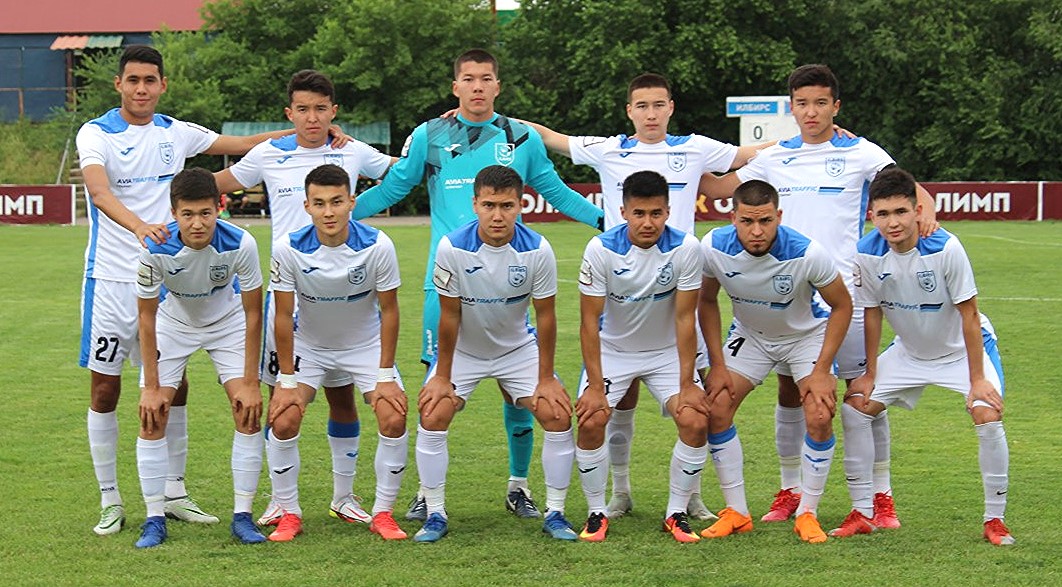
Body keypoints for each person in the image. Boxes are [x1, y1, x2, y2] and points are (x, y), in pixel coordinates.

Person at [76, 44, 338, 536]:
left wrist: (314, 132)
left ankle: (174, 493)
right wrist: (140, 227)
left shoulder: (176, 131)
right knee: (106, 388)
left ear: (162, 85)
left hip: (178, 277)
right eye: (132, 80)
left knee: (173, 388)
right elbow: (99, 191)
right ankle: (110, 499)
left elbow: (244, 143)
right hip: (113, 276)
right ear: (119, 84)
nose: (141, 89)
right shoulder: (96, 132)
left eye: (149, 80)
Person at [352, 48, 603, 521]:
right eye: (468, 79)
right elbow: (395, 186)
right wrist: (348, 214)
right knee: (437, 390)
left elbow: (555, 190)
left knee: (518, 392)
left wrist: (606, 223)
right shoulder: (430, 135)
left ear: (497, 86)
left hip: (507, 282)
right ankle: (427, 494)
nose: (477, 86)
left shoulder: (521, 137)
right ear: (456, 87)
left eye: (486, 78)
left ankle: (518, 486)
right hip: (445, 284)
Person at [699, 64, 937, 525]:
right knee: (790, 393)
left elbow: (908, 188)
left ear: (835, 106)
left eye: (821, 103)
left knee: (862, 396)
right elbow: (717, 186)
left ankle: (880, 497)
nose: (811, 112)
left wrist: (926, 212)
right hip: (789, 297)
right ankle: (790, 490)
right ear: (791, 107)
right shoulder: (773, 157)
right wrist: (672, 158)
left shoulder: (861, 151)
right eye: (803, 103)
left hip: (846, 296)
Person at [523, 72, 769, 520]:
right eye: (642, 106)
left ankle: (691, 497)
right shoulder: (609, 148)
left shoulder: (695, 147)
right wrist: (487, 116)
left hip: (680, 287)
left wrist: (810, 140)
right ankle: (620, 492)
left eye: (659, 105)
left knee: (697, 407)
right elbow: (549, 137)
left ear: (670, 107)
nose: (651, 114)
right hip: (623, 294)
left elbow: (746, 155)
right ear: (629, 111)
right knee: (620, 404)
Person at [214, 69, 395, 528]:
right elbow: (215, 185)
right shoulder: (268, 154)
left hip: (346, 296)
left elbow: (404, 171)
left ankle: (344, 497)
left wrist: (441, 140)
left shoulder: (353, 150)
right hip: (289, 296)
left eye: (320, 109)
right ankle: (280, 501)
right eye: (303, 109)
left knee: (343, 400)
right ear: (289, 113)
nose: (312, 118)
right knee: (283, 402)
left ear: (334, 111)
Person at [831, 167, 1013, 545]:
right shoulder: (866, 252)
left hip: (963, 351)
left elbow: (970, 315)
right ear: (871, 215)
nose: (893, 223)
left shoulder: (945, 247)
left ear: (917, 210)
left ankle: (994, 520)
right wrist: (870, 372)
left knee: (987, 414)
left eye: (901, 212)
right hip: (910, 353)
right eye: (883, 214)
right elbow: (872, 313)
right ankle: (864, 511)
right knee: (855, 407)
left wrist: (977, 380)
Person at [412, 165, 578, 543]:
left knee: (555, 413)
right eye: (489, 205)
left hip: (517, 348)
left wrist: (546, 378)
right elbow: (449, 315)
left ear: (521, 205)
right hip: (465, 350)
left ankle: (554, 512)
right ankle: (434, 511)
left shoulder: (537, 249)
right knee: (434, 411)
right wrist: (442, 376)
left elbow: (546, 316)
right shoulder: (452, 247)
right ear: (475, 204)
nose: (497, 215)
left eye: (506, 205)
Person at [698, 179, 852, 543]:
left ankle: (807, 513)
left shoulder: (807, 253)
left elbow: (842, 305)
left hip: (805, 337)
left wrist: (821, 370)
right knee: (716, 409)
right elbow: (706, 300)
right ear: (732, 217)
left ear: (778, 216)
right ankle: (737, 512)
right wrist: (717, 364)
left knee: (819, 414)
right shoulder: (713, 247)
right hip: (751, 336)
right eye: (747, 221)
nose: (756, 231)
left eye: (765, 221)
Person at [265, 164, 408, 541]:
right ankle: (289, 513)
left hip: (365, 345)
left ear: (351, 202)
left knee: (393, 417)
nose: (328, 212)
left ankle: (382, 513)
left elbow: (390, 311)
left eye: (336, 202)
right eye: (319, 203)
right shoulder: (288, 247)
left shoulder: (378, 245)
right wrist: (285, 379)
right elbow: (283, 315)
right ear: (307, 206)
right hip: (310, 346)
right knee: (283, 419)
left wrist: (385, 376)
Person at [132, 168, 265, 548]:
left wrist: (251, 383)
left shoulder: (241, 243)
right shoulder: (154, 248)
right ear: (174, 213)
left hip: (228, 322)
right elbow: (146, 316)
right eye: (187, 214)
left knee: (247, 410)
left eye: (205, 213)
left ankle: (243, 516)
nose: (197, 223)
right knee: (152, 414)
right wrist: (151, 386)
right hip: (173, 323)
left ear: (218, 208)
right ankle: (154, 519)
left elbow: (253, 313)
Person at [575, 170, 708, 543]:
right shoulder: (601, 249)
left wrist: (688, 382)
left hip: (666, 352)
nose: (647, 222)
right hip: (614, 351)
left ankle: (676, 513)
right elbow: (589, 322)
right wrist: (595, 387)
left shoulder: (686, 248)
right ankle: (597, 513)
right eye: (639, 213)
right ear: (623, 212)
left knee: (696, 420)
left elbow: (685, 318)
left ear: (668, 211)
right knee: (591, 420)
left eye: (655, 213)